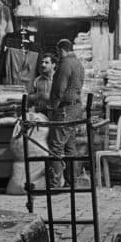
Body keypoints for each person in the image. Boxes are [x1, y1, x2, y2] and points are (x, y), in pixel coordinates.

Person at [47, 38, 84, 189]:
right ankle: (71, 182)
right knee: (70, 146)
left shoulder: (65, 64)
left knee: (55, 146)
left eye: (58, 52)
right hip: (75, 109)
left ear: (61, 50)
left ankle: (54, 184)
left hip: (65, 110)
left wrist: (52, 107)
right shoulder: (78, 64)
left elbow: (59, 90)